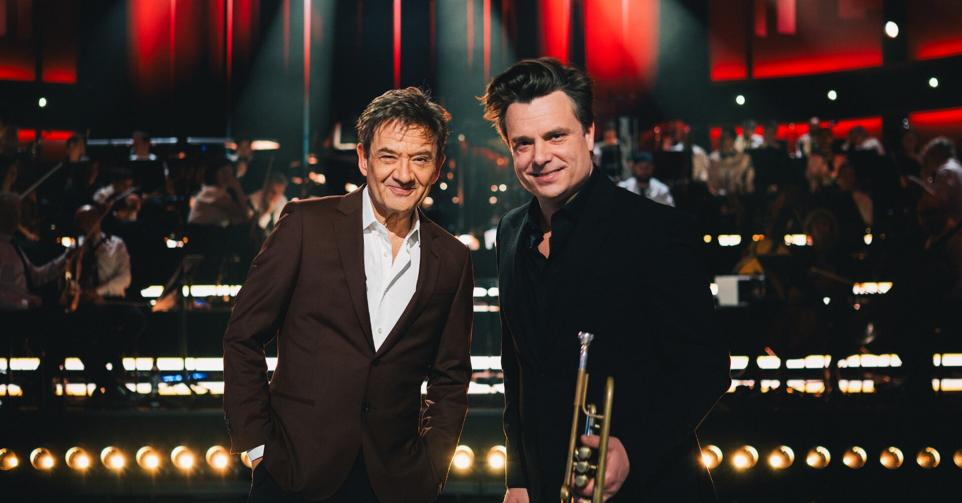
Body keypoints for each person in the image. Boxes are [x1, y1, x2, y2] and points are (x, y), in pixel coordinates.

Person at [480, 58, 730, 503]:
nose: (540, 157)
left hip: (648, 489)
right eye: (523, 143)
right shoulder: (510, 231)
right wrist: (518, 478)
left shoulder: (657, 230)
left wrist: (634, 448)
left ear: (589, 133)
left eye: (555, 136)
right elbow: (517, 365)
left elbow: (705, 367)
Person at [223, 87, 474, 503]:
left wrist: (431, 467)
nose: (404, 174)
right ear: (363, 158)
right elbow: (242, 336)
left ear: (437, 167)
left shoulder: (451, 257)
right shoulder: (306, 225)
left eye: (420, 159)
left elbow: (451, 377)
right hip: (293, 472)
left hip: (396, 483)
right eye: (389, 156)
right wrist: (257, 446)